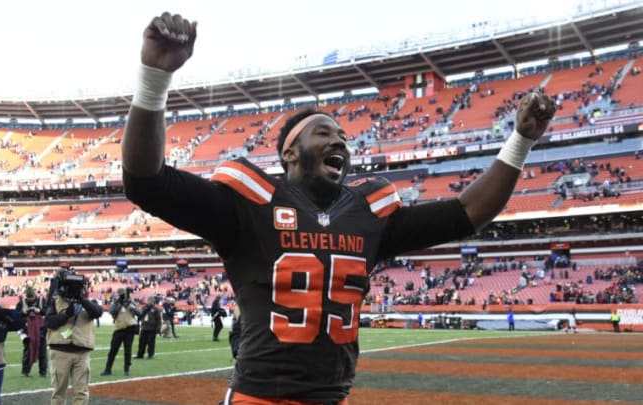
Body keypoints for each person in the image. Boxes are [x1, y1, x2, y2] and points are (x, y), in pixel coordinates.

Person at [121, 11, 556, 404]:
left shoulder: (369, 212)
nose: (339, 141)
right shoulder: (251, 202)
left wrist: (521, 142)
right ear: (289, 153)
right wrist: (154, 79)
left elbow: (467, 213)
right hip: (260, 398)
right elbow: (147, 182)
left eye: (343, 136)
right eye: (323, 133)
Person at [44, 269, 102, 405]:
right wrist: (66, 314)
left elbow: (97, 312)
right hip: (60, 350)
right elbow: (49, 322)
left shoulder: (88, 302)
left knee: (81, 392)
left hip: (82, 351)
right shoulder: (55, 301)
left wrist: (81, 299)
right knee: (58, 391)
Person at [101, 288, 141, 376]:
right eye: (120, 294)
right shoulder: (115, 303)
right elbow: (111, 311)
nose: (122, 296)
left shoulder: (131, 302)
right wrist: (119, 304)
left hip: (129, 328)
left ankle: (126, 369)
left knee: (128, 350)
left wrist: (132, 307)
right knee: (113, 350)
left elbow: (140, 313)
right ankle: (108, 369)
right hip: (118, 328)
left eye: (123, 294)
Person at [15, 287, 48, 377]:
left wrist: (39, 310)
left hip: (41, 329)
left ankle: (43, 372)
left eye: (32, 298)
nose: (30, 300)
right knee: (28, 351)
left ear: (35, 295)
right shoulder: (22, 302)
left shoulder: (42, 300)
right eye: (28, 298)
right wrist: (23, 312)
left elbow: (48, 312)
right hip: (27, 329)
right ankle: (25, 371)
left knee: (42, 351)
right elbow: (16, 314)